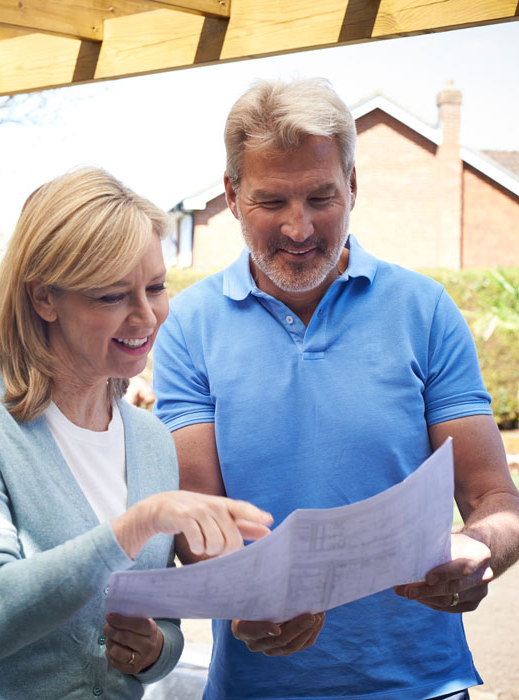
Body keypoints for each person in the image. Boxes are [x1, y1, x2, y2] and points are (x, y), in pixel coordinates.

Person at [152, 78, 519, 700]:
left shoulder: (423, 310)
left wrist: (479, 550)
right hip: (257, 688)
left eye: (321, 197)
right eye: (272, 202)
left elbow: (495, 498)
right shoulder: (189, 324)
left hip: (423, 686)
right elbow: (197, 519)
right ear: (232, 195)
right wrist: (245, 595)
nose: (300, 228)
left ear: (352, 185)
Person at [0, 167, 273, 699]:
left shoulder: (149, 440)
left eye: (155, 287)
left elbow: (161, 625)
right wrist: (140, 522)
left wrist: (152, 651)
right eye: (111, 297)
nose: (146, 317)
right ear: (43, 298)